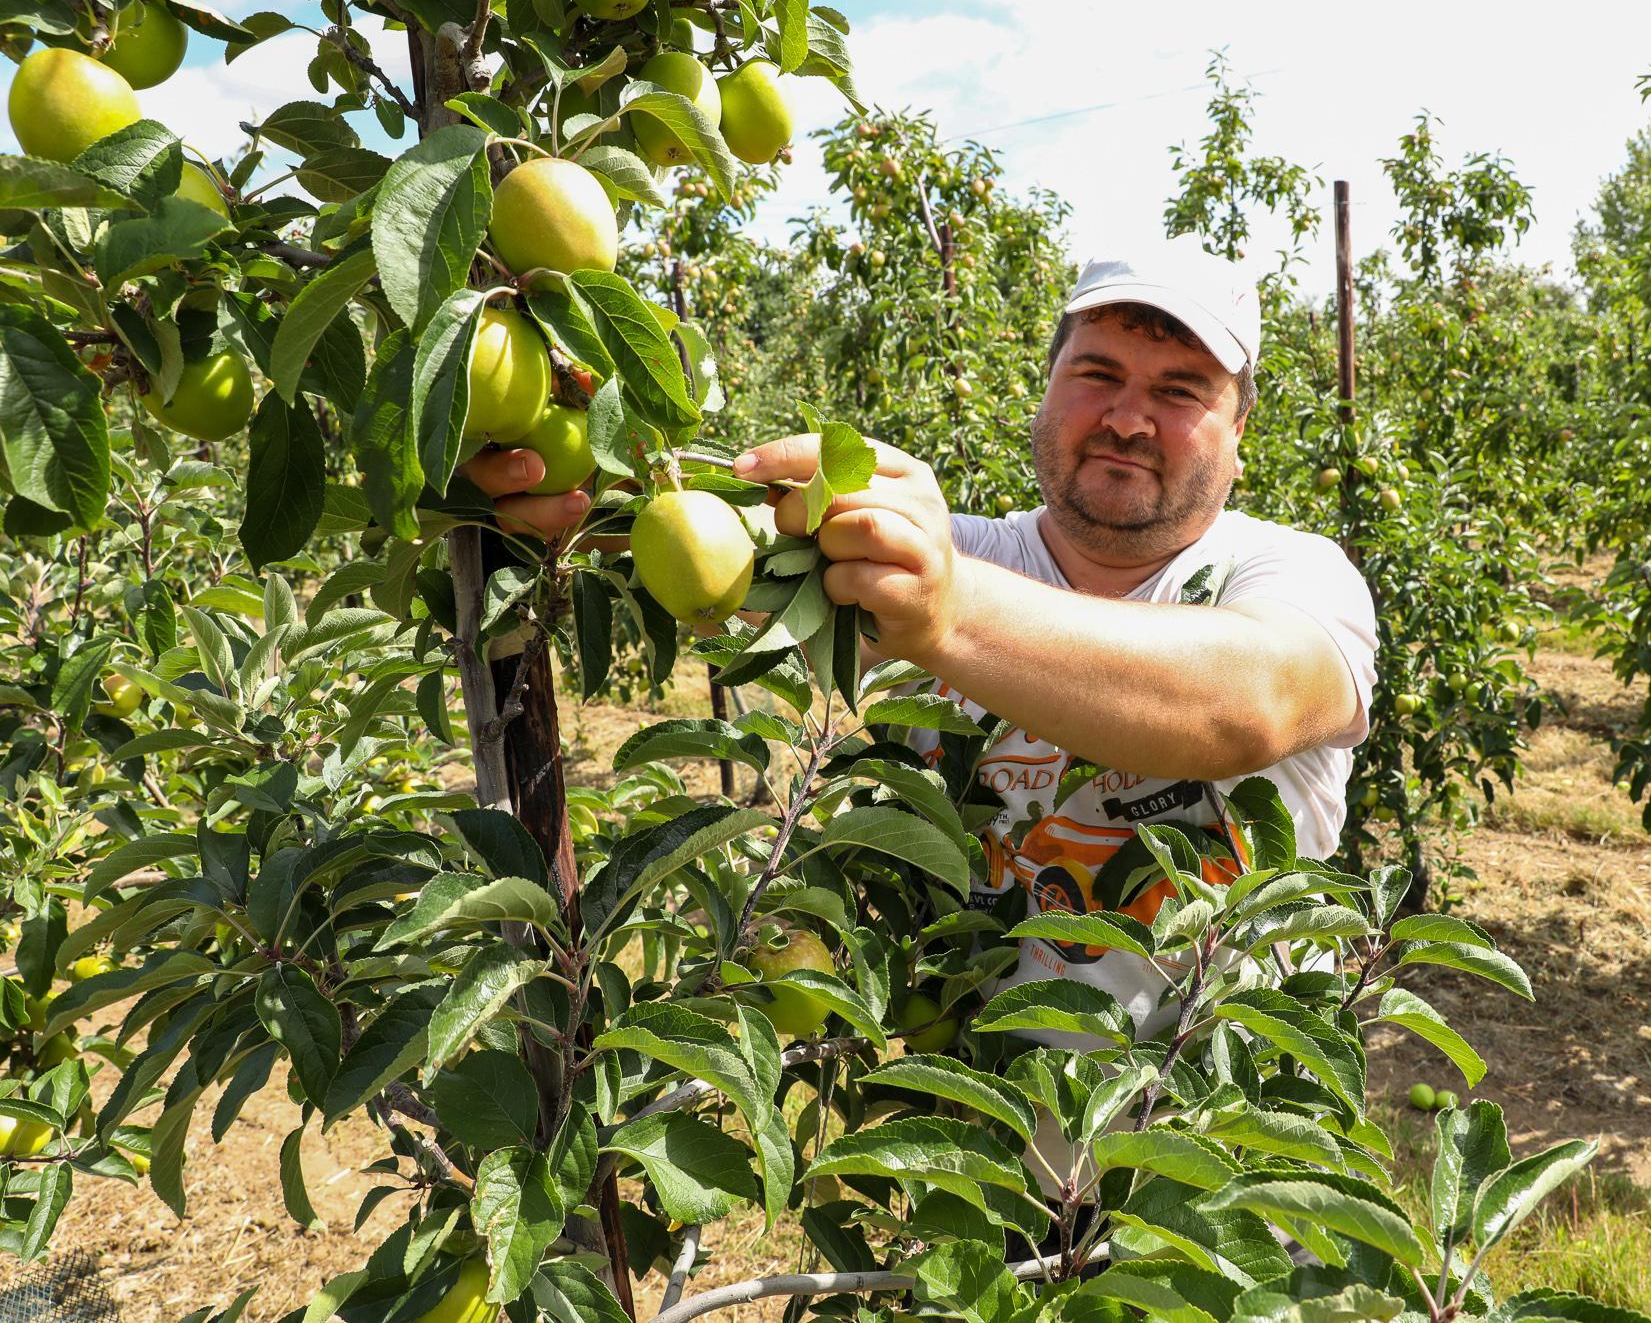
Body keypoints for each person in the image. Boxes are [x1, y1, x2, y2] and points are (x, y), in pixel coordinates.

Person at [465, 232, 1379, 1200]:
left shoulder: (1284, 574)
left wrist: (942, 613)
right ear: (1046, 387)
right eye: (1097, 373)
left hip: (1218, 1188)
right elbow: (693, 532)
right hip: (967, 1185)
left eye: (1180, 390)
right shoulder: (942, 558)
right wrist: (544, 465)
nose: (1125, 417)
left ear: (1240, 426)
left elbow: (1246, 702)